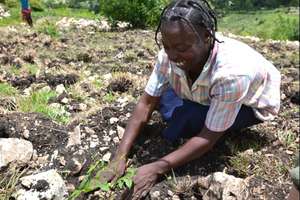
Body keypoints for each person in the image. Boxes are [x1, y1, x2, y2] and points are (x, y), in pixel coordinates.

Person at [100, 0, 281, 199]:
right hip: (204, 93)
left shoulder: (232, 73)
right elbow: (145, 103)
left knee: (184, 121)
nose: (173, 55)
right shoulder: (168, 56)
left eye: (181, 47)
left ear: (206, 36)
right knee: (162, 103)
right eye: (167, 46)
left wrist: (159, 167)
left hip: (249, 105)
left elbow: (207, 137)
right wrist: (119, 157)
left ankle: (203, 119)